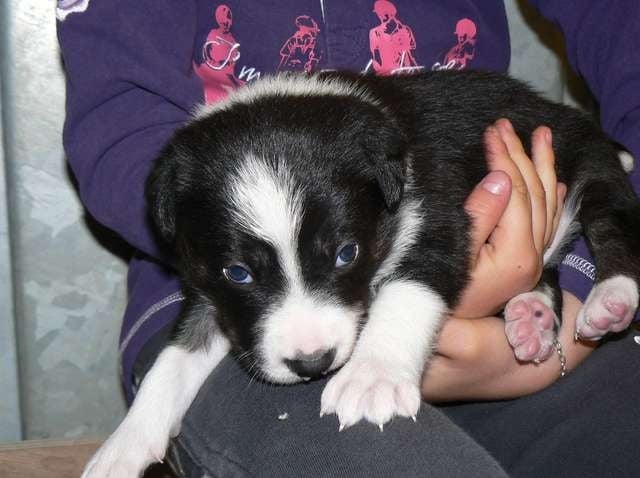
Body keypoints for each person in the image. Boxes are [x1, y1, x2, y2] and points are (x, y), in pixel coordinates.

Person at [56, 0, 640, 476]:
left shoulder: (399, 172)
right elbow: (120, 125)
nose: (309, 344)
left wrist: (576, 288)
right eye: (242, 270)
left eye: (341, 254)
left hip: (538, 294)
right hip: (226, 341)